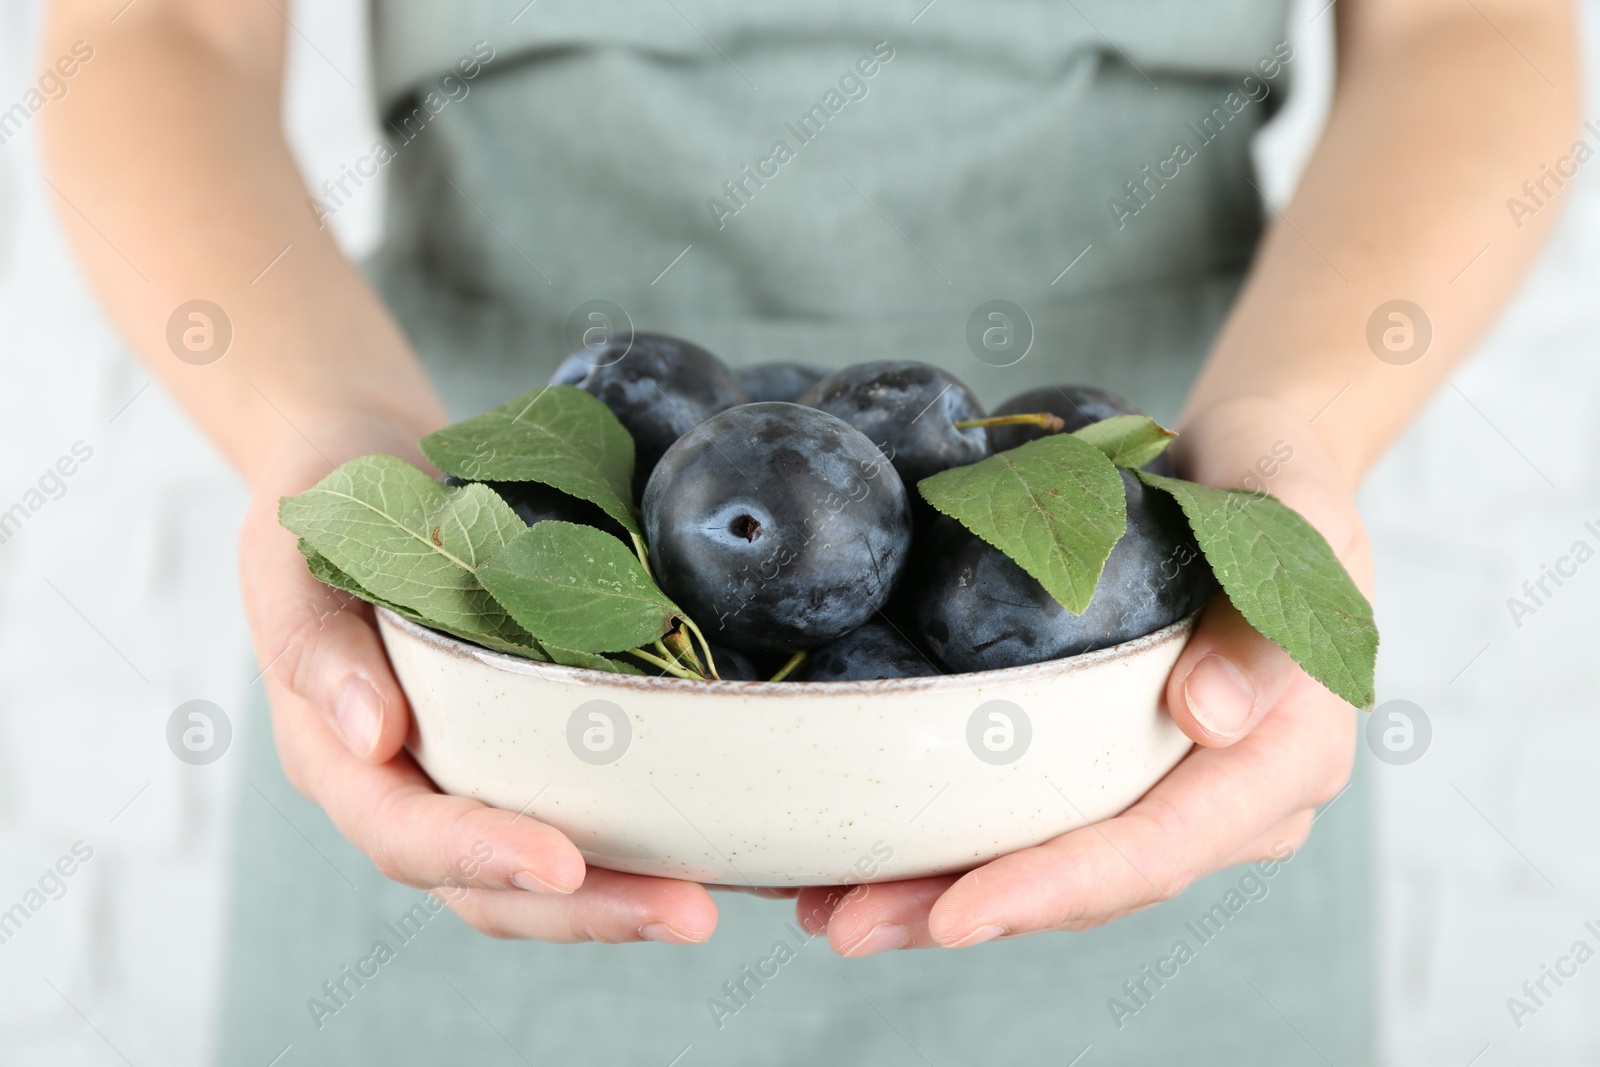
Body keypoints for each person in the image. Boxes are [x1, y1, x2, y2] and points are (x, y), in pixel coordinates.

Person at [43, 0, 1577, 1062]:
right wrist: (325, 447)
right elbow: (156, 30)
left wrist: (1291, 446)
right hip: (502, 670)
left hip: (1134, 678)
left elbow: (1474, 26)